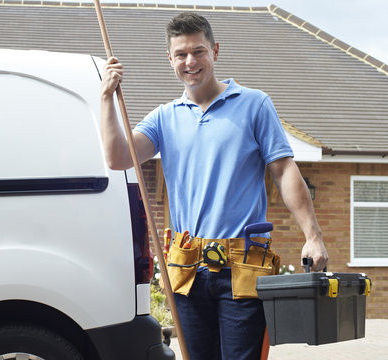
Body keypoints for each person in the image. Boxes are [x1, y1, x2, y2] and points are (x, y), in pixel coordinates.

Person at [100, 11, 328, 360]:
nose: (190, 61)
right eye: (181, 54)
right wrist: (106, 98)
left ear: (215, 51)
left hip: (242, 267)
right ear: (170, 59)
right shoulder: (165, 117)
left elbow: (284, 170)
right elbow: (118, 157)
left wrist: (313, 236)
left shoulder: (254, 105)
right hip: (187, 269)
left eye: (198, 51)